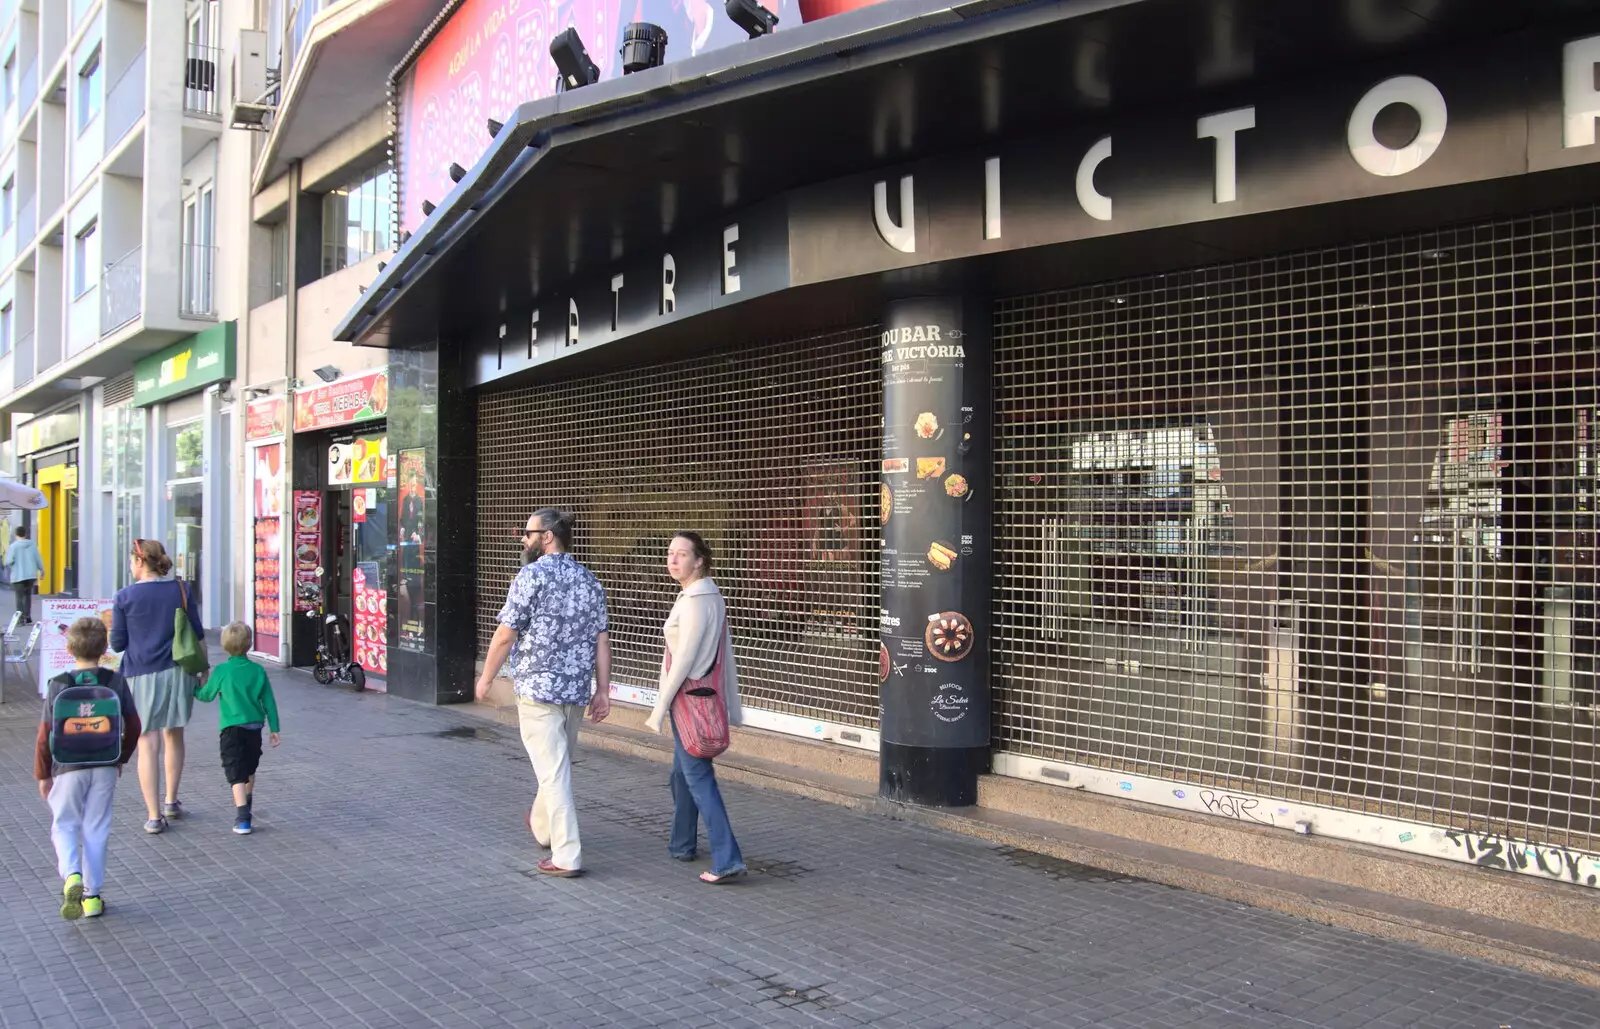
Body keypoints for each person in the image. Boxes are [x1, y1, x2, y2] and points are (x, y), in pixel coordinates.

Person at [475, 508, 611, 877]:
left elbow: (506, 633)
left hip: (538, 690)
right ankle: (542, 824)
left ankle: (567, 855)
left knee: (554, 773)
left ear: (547, 536)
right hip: (575, 692)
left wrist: (486, 678)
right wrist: (602, 690)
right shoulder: (590, 580)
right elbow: (602, 640)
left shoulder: (530, 575)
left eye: (527, 532)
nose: (523, 538)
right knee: (556, 767)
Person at [647, 531, 747, 884]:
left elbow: (684, 659)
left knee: (698, 778)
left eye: (682, 555)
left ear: (699, 560)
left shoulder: (693, 601)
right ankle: (681, 844)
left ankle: (727, 859)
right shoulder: (710, 597)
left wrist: (659, 708)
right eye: (670, 553)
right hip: (701, 696)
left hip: (687, 699)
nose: (673, 560)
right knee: (681, 774)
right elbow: (727, 657)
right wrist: (733, 706)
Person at [34, 617, 140, 920]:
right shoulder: (115, 682)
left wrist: (43, 774)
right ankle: (92, 898)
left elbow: (44, 735)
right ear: (105, 647)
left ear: (68, 648)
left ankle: (72, 875)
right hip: (105, 764)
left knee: (65, 824)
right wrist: (121, 757)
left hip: (67, 767)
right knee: (97, 827)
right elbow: (134, 725)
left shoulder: (58, 684)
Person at [111, 539, 204, 834]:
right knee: (174, 734)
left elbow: (118, 643)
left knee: (146, 742)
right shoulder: (180, 589)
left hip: (140, 674)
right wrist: (203, 668)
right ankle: (171, 801)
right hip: (178, 672)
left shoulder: (123, 597)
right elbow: (197, 633)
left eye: (130, 561)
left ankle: (153, 816)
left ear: (140, 562)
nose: (129, 566)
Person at [193, 622, 281, 836]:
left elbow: (206, 695)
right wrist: (274, 729)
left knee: (235, 770)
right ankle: (247, 801)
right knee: (249, 768)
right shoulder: (258, 670)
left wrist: (194, 687)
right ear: (249, 645)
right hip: (254, 727)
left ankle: (242, 816)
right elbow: (269, 701)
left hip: (231, 728)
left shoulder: (222, 671)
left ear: (224, 645)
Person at [6, 525, 44, 622]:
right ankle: (28, 616)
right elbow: (37, 558)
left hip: (18, 576)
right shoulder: (33, 544)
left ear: (16, 534)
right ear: (25, 534)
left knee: (19, 597)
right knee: (27, 595)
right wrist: (42, 570)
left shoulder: (14, 546)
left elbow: (9, 561)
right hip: (30, 575)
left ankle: (20, 618)